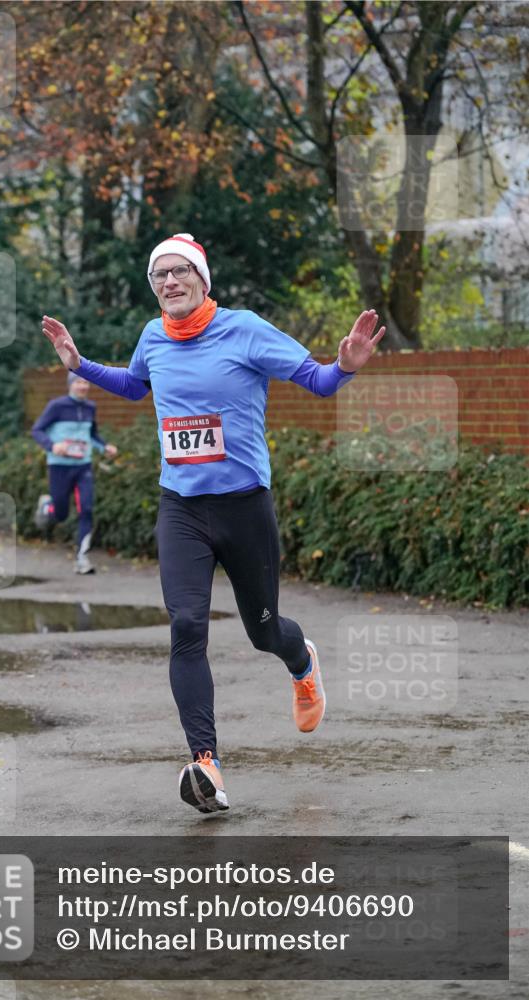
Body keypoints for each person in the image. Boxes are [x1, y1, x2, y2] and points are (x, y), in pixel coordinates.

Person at [42, 233, 385, 814]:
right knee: (186, 625)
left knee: (262, 631)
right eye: (159, 276)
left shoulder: (244, 329)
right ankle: (206, 763)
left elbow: (316, 380)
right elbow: (135, 383)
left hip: (245, 507)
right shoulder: (154, 335)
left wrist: (343, 367)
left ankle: (300, 662)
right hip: (181, 508)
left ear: (203, 279)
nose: (169, 283)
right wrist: (81, 365)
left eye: (179, 272)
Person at [31, 371, 118, 574]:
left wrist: (104, 447)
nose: (83, 386)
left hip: (83, 466)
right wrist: (53, 446)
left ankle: (82, 559)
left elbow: (92, 434)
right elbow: (37, 430)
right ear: (71, 385)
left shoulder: (90, 407)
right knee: (61, 515)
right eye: (79, 382)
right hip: (59, 466)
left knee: (86, 510)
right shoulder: (57, 406)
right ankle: (48, 506)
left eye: (86, 383)